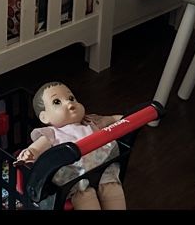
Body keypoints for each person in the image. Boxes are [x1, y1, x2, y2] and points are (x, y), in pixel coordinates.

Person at [16, 81, 126, 211]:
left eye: (71, 98)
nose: (69, 103)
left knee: (113, 189)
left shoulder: (91, 121)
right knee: (85, 197)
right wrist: (29, 153)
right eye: (57, 102)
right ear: (44, 117)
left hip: (103, 169)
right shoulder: (52, 133)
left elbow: (116, 119)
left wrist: (132, 117)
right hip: (76, 178)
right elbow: (36, 148)